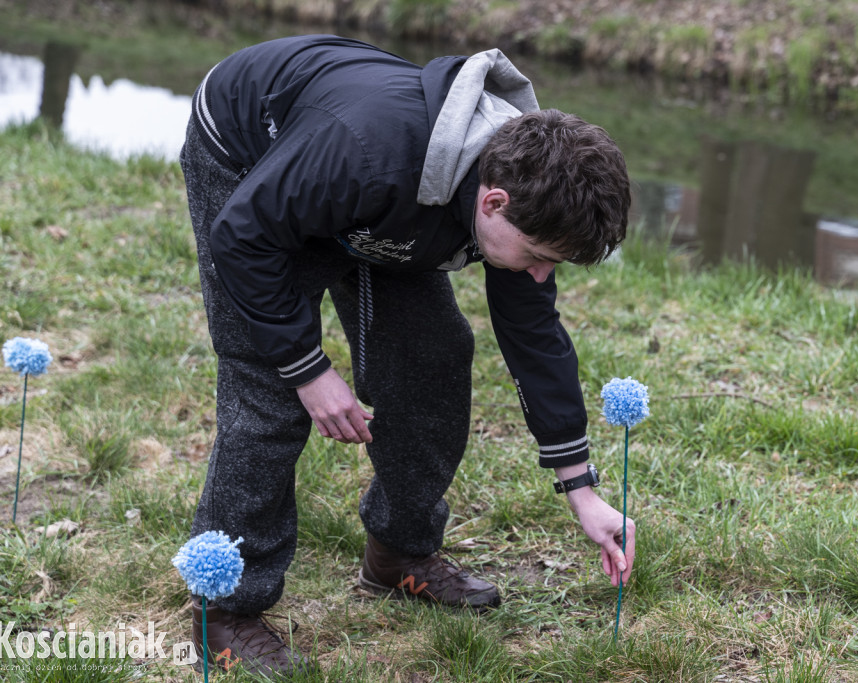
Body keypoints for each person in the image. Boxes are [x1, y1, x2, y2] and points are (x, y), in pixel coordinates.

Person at [178, 34, 635, 677]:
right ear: (492, 201)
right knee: (271, 389)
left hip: (378, 196)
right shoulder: (368, 156)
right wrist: (309, 368)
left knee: (434, 358)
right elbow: (243, 239)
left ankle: (399, 554)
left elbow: (535, 338)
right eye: (537, 256)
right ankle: (224, 607)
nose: (539, 274)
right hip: (251, 156)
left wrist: (581, 487)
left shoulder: (529, 193)